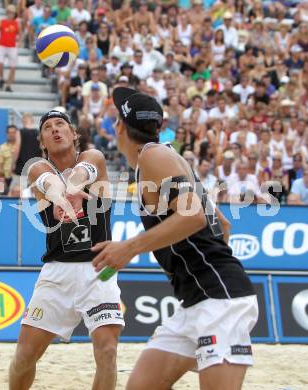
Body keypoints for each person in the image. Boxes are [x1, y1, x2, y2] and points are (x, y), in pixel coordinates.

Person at [92, 87, 258, 390]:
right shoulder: (167, 159)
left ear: (119, 126)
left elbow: (193, 216)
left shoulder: (154, 156)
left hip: (220, 299)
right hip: (196, 301)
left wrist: (129, 248)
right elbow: (221, 224)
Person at [9, 109, 124, 390]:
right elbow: (45, 180)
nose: (55, 129)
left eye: (61, 124)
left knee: (107, 351)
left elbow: (86, 168)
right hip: (57, 272)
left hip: (99, 269)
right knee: (24, 357)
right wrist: (60, 196)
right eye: (48, 127)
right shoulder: (37, 167)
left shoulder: (93, 159)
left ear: (74, 135)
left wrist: (73, 189)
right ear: (42, 142)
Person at [0, 4, 22, 91]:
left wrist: (19, 42)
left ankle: (8, 85)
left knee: (13, 67)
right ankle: (1, 78)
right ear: (7, 13)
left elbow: (20, 34)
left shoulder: (17, 24)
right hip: (2, 45)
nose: (11, 14)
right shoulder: (1, 22)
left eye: (12, 13)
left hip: (12, 46)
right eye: (9, 12)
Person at [0, 125, 17, 189]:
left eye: (13, 132)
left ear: (17, 134)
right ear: (7, 134)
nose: (11, 134)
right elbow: (0, 167)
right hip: (7, 178)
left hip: (19, 177)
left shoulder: (21, 146)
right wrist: (2, 180)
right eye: (9, 133)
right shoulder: (2, 147)